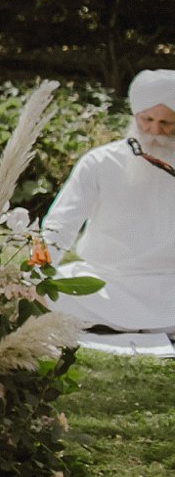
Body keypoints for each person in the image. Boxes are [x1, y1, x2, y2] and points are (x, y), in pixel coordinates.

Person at [41, 70, 175, 332]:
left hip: (168, 282)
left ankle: (125, 323)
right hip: (106, 282)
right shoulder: (100, 162)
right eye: (147, 119)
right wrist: (37, 276)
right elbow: (61, 224)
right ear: (135, 115)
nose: (155, 131)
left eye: (167, 123)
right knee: (53, 289)